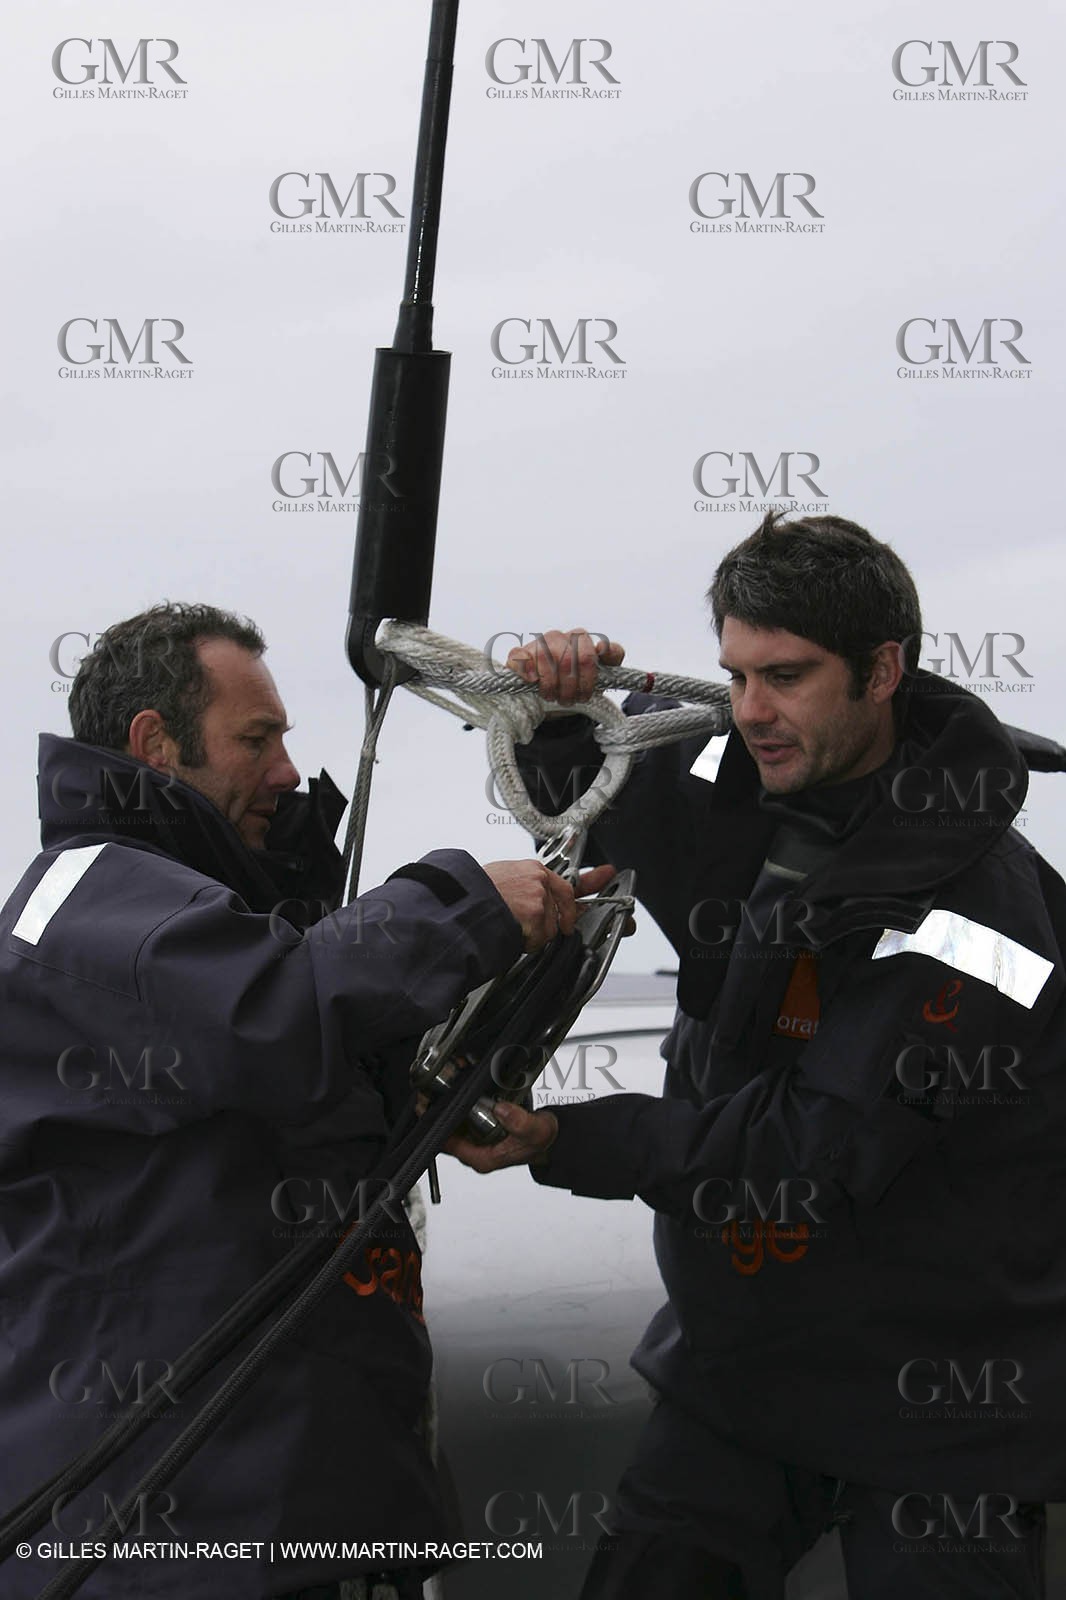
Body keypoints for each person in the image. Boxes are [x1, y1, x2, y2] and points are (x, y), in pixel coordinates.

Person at [448, 513, 1066, 1599]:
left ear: (884, 670)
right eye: (735, 674)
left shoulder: (984, 918)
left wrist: (566, 1137)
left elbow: (813, 1152)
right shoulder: (740, 767)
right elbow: (593, 797)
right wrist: (556, 708)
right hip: (741, 1372)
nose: (750, 710)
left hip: (941, 1404)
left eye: (785, 676)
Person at [0, 602, 612, 1600]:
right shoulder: (88, 908)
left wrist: (563, 738)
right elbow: (273, 1008)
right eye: (258, 738)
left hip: (275, 1518)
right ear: (154, 744)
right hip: (162, 1546)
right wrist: (465, 905)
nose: (288, 773)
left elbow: (288, 1048)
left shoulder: (198, 918)